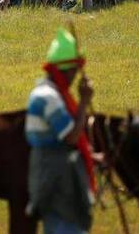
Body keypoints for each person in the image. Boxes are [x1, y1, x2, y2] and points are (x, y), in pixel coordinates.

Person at [25, 27, 97, 234]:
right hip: (57, 181)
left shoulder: (53, 93)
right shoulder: (48, 97)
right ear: (63, 70)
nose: (75, 76)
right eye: (73, 70)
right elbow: (72, 137)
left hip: (59, 175)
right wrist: (84, 101)